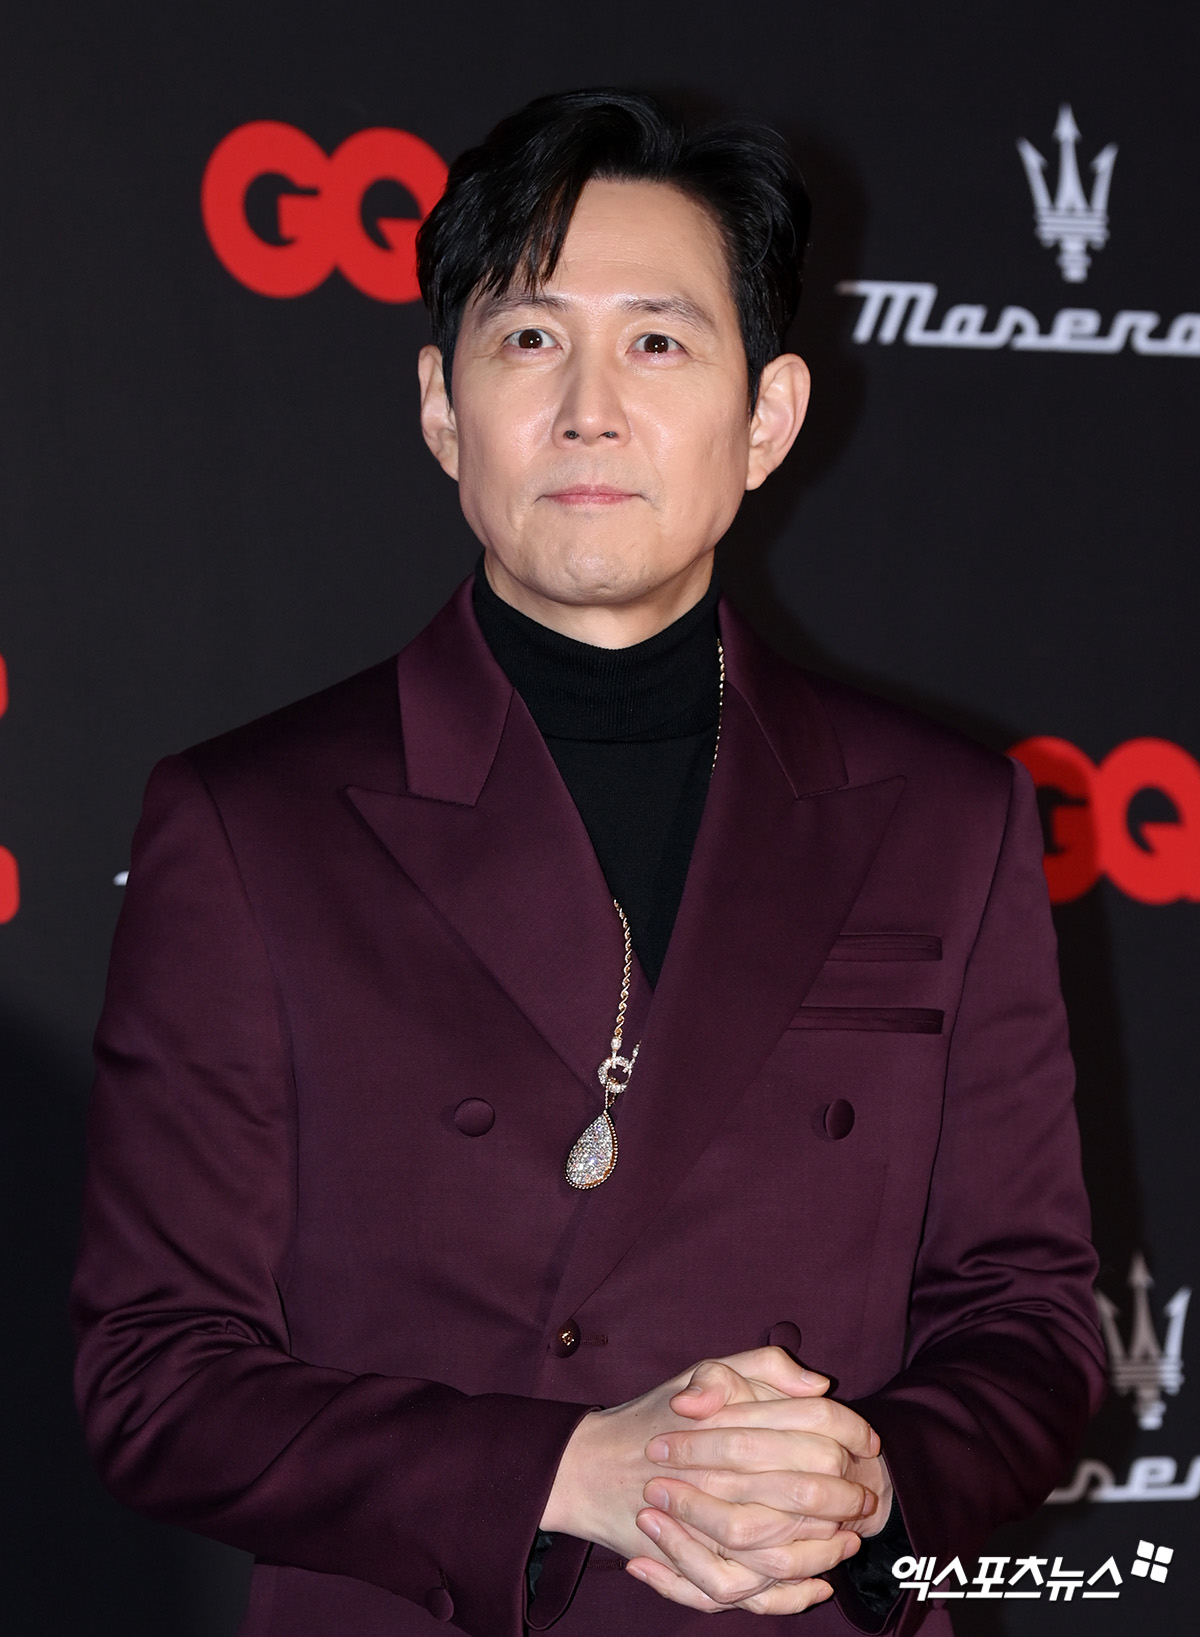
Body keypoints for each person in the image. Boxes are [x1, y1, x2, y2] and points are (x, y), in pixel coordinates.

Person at [71, 89, 1106, 1637]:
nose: (590, 409)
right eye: (530, 339)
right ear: (443, 406)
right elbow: (157, 1377)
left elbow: (1029, 1320)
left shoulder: (950, 818)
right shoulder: (250, 822)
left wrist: (866, 1485)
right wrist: (569, 1469)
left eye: (660, 342)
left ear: (768, 418)